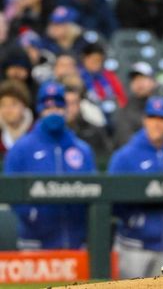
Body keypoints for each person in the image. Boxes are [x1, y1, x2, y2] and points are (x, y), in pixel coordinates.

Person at [3, 81, 96, 249]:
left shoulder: (82, 149)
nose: (54, 112)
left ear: (65, 109)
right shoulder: (21, 148)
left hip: (76, 241)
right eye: (48, 108)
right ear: (40, 110)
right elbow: (10, 192)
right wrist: (31, 215)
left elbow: (95, 191)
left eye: (58, 107)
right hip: (35, 241)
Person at [109, 96, 163, 278]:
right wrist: (133, 220)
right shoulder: (125, 156)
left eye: (162, 119)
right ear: (144, 120)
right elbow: (111, 198)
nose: (157, 124)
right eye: (153, 118)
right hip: (133, 247)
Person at [112, 61, 157, 147]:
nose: (139, 82)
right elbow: (126, 144)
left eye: (143, 78)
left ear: (153, 82)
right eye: (135, 79)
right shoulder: (125, 113)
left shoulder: (161, 108)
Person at [79, 42, 127, 110]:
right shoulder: (77, 76)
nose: (97, 64)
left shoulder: (109, 76)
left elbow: (121, 98)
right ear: (84, 58)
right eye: (94, 60)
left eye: (100, 61)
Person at [0, 80, 33, 155]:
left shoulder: (36, 134)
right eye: (3, 105)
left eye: (14, 104)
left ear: (24, 106)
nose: (8, 110)